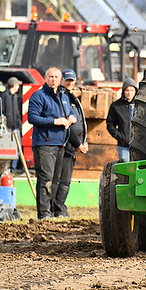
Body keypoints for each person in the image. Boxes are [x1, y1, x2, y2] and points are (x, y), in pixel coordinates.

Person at [28, 66, 77, 219]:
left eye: (56, 77)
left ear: (60, 79)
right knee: (46, 180)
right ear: (45, 78)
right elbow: (32, 118)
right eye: (51, 77)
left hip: (60, 144)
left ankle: (54, 211)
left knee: (56, 181)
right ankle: (43, 214)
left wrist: (71, 117)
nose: (54, 79)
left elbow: (70, 111)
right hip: (44, 144)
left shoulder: (63, 96)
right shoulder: (39, 96)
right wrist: (55, 121)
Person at [52, 69, 89, 217]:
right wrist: (78, 144)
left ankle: (59, 207)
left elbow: (80, 123)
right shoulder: (63, 97)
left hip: (72, 145)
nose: (70, 83)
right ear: (62, 80)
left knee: (64, 180)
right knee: (63, 180)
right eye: (67, 80)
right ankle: (58, 208)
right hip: (67, 145)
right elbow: (69, 125)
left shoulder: (72, 97)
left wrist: (84, 140)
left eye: (72, 80)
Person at [106, 77, 138, 162]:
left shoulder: (140, 106)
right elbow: (110, 124)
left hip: (139, 146)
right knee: (126, 169)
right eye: (127, 90)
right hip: (123, 146)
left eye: (132, 90)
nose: (129, 93)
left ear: (135, 91)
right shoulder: (116, 106)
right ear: (123, 91)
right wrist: (121, 137)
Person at [1, 76, 23, 173]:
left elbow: (17, 113)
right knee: (8, 150)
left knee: (17, 150)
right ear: (14, 85)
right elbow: (3, 112)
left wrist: (19, 126)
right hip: (8, 128)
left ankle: (13, 169)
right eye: (18, 85)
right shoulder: (4, 96)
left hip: (15, 128)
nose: (18, 87)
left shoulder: (15, 97)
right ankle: (8, 170)